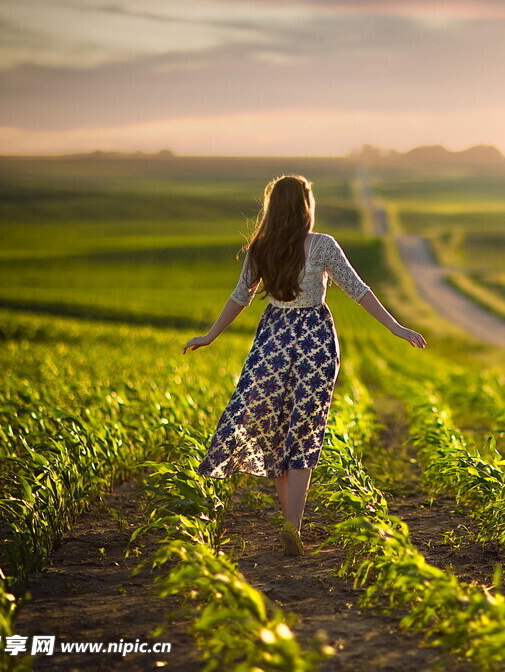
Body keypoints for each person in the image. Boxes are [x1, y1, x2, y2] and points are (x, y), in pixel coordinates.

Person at [181, 174, 426, 556]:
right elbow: (358, 289)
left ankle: (288, 525)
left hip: (273, 340)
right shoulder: (322, 245)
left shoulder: (260, 248)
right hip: (315, 341)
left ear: (273, 207)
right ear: (304, 206)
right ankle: (292, 527)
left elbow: (238, 298)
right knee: (304, 429)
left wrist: (210, 335)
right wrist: (395, 327)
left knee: (277, 430)